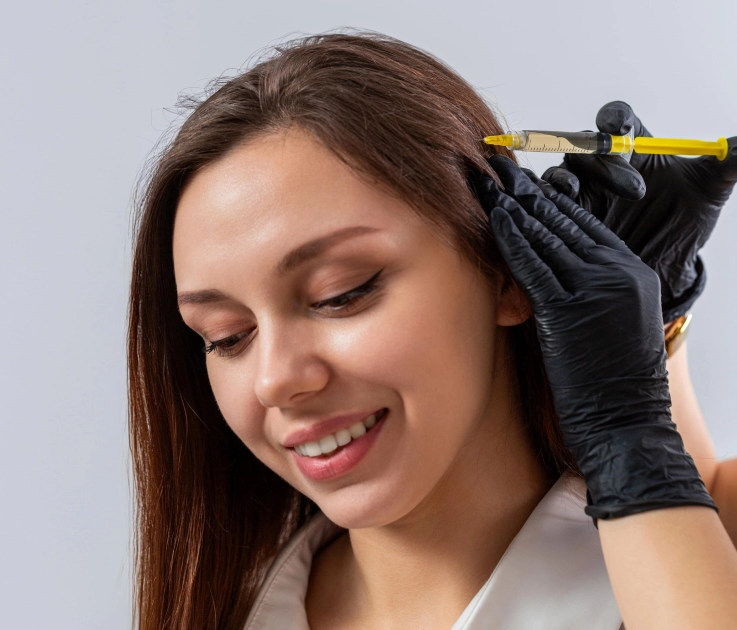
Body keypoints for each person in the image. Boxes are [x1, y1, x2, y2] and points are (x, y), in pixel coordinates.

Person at [127, 31, 737, 629]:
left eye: (341, 294)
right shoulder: (226, 609)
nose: (274, 380)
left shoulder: (703, 551)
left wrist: (630, 414)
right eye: (227, 335)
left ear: (505, 272)